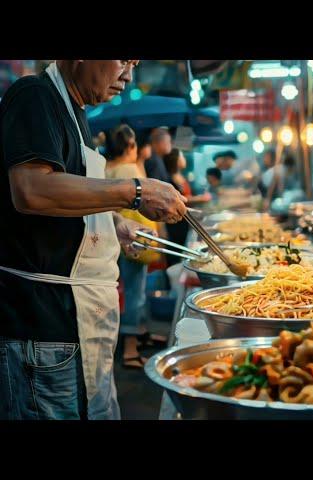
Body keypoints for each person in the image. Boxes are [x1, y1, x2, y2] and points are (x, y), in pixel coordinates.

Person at [0, 60, 186, 420]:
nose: (129, 75)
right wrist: (135, 191)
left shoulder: (77, 113)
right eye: (123, 60)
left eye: (134, 64)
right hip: (44, 327)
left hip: (82, 321)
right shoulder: (34, 96)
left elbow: (69, 196)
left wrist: (112, 222)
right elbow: (31, 190)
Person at [105, 125, 160, 369]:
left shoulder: (107, 168)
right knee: (135, 294)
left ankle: (137, 337)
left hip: (112, 240)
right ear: (130, 145)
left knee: (126, 292)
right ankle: (130, 350)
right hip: (133, 239)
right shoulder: (129, 169)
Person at [163, 148, 211, 266]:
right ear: (176, 160)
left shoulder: (180, 176)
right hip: (175, 223)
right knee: (175, 253)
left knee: (183, 250)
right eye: (181, 156)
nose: (184, 158)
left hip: (185, 220)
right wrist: (200, 198)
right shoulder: (170, 179)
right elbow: (178, 199)